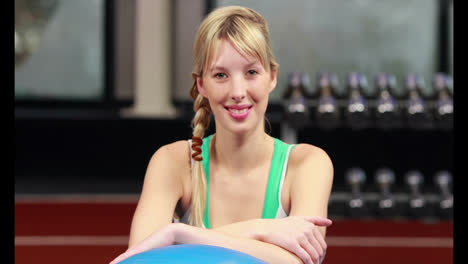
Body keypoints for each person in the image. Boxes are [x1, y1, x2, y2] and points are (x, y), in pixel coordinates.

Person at [110, 5, 333, 264]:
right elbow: (140, 258)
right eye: (220, 75)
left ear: (272, 77)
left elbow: (300, 261)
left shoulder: (307, 163)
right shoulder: (172, 161)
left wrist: (176, 235)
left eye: (251, 72)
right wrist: (261, 229)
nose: (237, 91)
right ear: (201, 84)